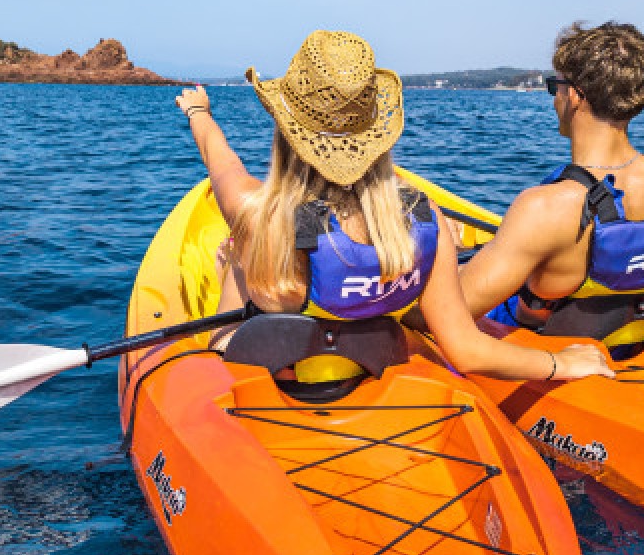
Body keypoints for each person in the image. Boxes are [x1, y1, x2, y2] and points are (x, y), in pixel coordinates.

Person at [175, 30, 612, 383]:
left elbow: (222, 161)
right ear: (378, 142)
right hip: (373, 369)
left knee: (234, 251)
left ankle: (221, 324)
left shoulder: (257, 215)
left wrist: (199, 113)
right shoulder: (425, 220)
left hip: (276, 372)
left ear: (287, 131)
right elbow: (466, 350)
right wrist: (561, 364)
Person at [459, 21, 644, 357]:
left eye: (554, 86)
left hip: (552, 361)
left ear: (574, 95)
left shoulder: (547, 208)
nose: (555, 98)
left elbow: (449, 313)